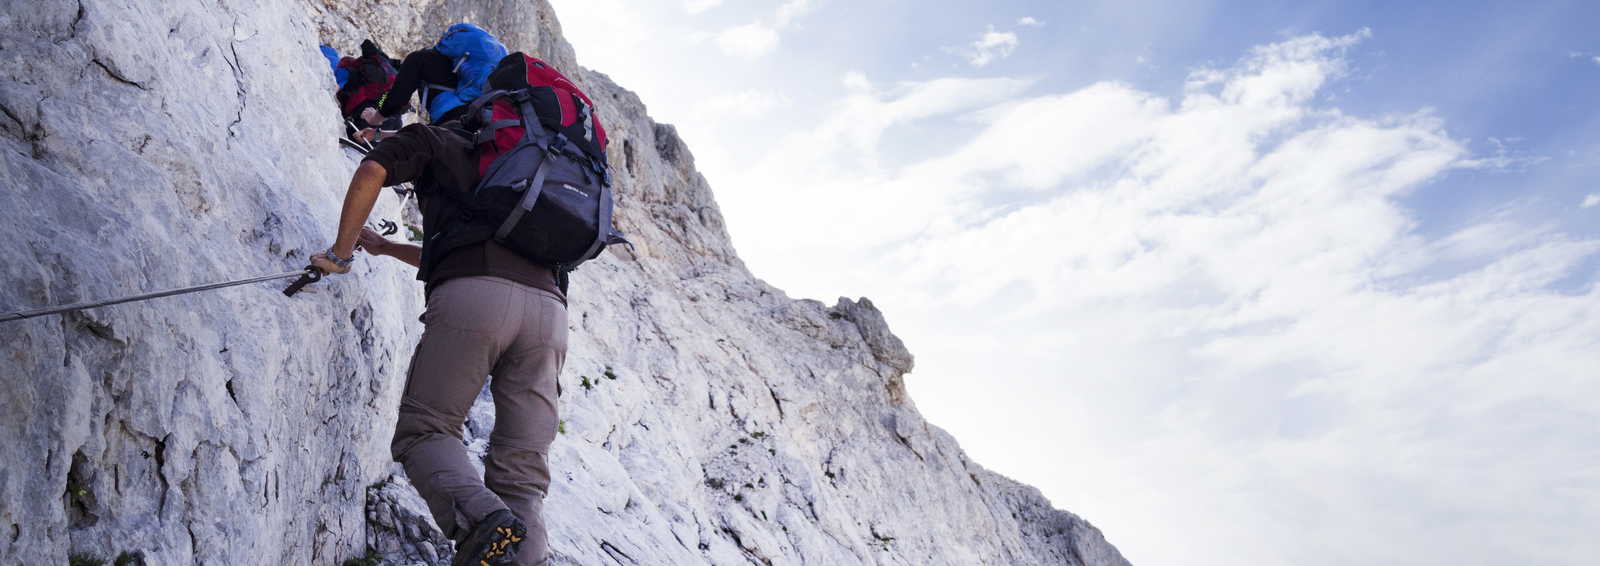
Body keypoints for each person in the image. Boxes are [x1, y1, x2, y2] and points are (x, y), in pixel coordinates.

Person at [311, 121, 566, 565]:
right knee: (521, 476)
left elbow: (371, 171)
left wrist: (341, 253)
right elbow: (466, 248)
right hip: (550, 318)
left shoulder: (438, 138)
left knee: (425, 432)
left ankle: (485, 519)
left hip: (475, 299)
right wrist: (389, 248)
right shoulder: (540, 174)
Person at [359, 23, 507, 131]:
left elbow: (394, 98)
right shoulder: (470, 76)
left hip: (446, 125)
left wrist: (377, 115)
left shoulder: (421, 60)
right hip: (484, 128)